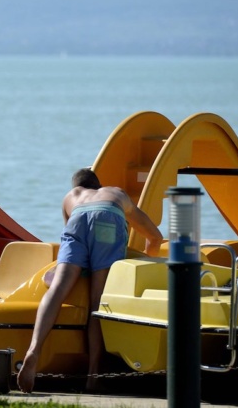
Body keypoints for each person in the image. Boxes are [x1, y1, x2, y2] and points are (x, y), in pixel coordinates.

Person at [17, 168, 163, 393]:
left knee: (56, 290)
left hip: (77, 218)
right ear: (99, 185)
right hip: (108, 217)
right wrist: (149, 258)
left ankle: (33, 351)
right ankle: (93, 375)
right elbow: (154, 235)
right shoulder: (116, 193)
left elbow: (74, 238)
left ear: (78, 187)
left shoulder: (71, 197)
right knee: (98, 301)